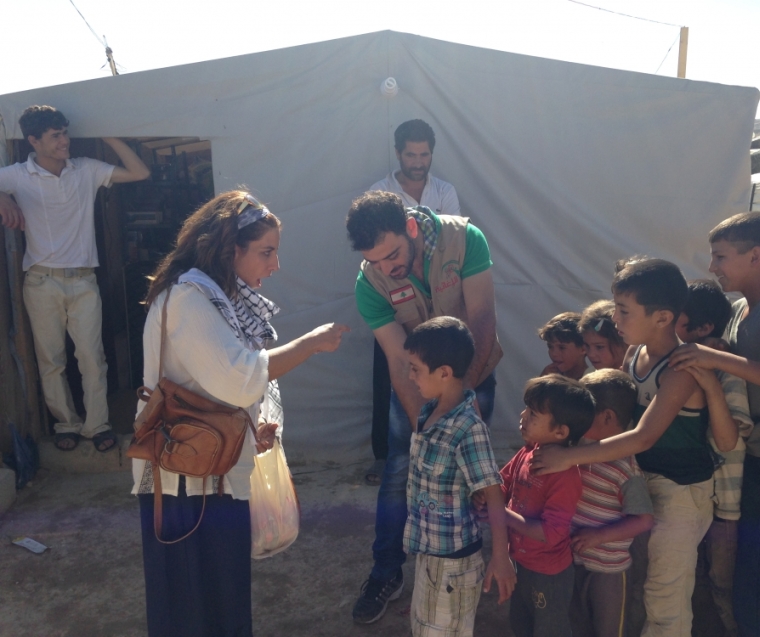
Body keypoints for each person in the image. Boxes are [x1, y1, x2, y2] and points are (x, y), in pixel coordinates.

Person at [134, 190, 349, 637]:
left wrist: (255, 427)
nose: (274, 265)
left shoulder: (215, 296)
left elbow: (228, 381)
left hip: (209, 472)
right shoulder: (192, 299)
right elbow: (239, 378)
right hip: (185, 483)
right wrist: (309, 344)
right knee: (194, 609)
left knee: (218, 602)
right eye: (266, 252)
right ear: (231, 250)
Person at [531, 258, 738, 637]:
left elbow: (643, 436)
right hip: (641, 486)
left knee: (666, 601)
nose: (615, 318)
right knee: (642, 585)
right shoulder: (634, 354)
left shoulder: (680, 368)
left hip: (679, 493)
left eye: (624, 311)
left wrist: (569, 457)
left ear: (661, 317)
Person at [346, 190, 501, 624]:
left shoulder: (466, 238)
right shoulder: (369, 282)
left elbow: (483, 319)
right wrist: (424, 427)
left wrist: (457, 401)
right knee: (401, 473)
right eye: (375, 261)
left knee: (471, 476)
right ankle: (386, 572)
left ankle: (466, 566)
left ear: (411, 226)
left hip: (473, 377)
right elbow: (398, 360)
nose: (387, 268)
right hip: (416, 389)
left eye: (392, 254)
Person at [668, 212, 760, 637]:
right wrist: (718, 348)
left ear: (756, 256)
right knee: (750, 571)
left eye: (721, 256)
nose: (713, 267)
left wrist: (715, 357)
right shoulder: (739, 309)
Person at [0, 105, 151, 452]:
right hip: (39, 281)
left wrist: (106, 131)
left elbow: (139, 171)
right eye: (55, 136)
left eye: (65, 133)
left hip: (84, 281)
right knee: (50, 360)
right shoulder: (17, 175)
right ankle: (65, 424)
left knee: (91, 357)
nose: (64, 141)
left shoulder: (85, 170)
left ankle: (97, 425)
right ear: (33, 141)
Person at [403, 317, 514, 637]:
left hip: (454, 565)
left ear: (444, 373)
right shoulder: (428, 413)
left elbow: (493, 492)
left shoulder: (468, 428)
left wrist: (500, 556)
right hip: (430, 553)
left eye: (415, 369)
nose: (410, 376)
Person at [366, 119, 461, 485]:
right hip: (391, 295)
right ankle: (385, 455)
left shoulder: (444, 190)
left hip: (437, 297)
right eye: (411, 154)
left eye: (424, 155)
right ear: (398, 154)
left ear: (431, 154)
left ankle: (444, 446)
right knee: (389, 374)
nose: (418, 162)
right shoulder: (380, 191)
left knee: (442, 375)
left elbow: (451, 240)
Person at [483, 374, 594, 637]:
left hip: (549, 574)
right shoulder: (528, 452)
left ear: (561, 432)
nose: (522, 416)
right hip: (522, 561)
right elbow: (504, 482)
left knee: (548, 629)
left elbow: (551, 533)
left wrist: (504, 515)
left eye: (533, 413)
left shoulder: (565, 475)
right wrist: (485, 496)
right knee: (521, 623)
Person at [675, 279, 752, 637]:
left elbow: (729, 439)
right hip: (698, 499)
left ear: (704, 328)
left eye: (676, 318)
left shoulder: (727, 372)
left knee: (723, 584)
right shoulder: (677, 363)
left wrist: (711, 383)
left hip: (725, 507)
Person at [570, 369, 654, 637]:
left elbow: (643, 519)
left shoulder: (626, 469)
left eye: (585, 411)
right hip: (573, 563)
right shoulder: (575, 449)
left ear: (607, 416)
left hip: (610, 572)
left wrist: (600, 536)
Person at [578, 300, 628, 371]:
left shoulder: (638, 375)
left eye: (599, 347)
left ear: (622, 342)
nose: (591, 354)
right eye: (587, 345)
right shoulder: (590, 375)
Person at [538, 311, 587, 379]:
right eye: (550, 346)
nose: (554, 354)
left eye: (562, 347)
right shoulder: (550, 377)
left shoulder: (593, 382)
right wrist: (542, 382)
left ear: (583, 349)